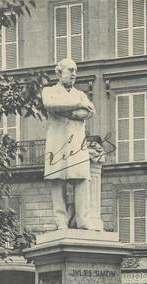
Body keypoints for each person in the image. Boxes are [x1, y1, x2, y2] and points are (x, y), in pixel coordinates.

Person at [42, 58, 95, 230]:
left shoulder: (80, 93)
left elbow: (88, 113)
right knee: (57, 181)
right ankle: (61, 222)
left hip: (76, 143)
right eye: (70, 70)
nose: (74, 74)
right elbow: (50, 104)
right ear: (58, 73)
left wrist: (64, 109)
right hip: (57, 142)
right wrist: (78, 105)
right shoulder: (49, 91)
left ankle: (83, 220)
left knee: (81, 179)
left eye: (75, 70)